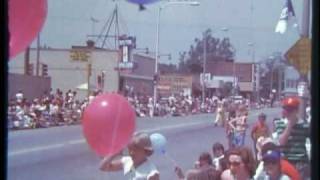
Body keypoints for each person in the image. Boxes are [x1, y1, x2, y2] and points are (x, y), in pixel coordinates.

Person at [273, 97, 310, 178]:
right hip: (286, 162)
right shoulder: (280, 124)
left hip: (301, 163)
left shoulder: (304, 125)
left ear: (296, 110)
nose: (288, 112)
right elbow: (281, 142)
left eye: (291, 110)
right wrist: (290, 125)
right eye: (286, 109)